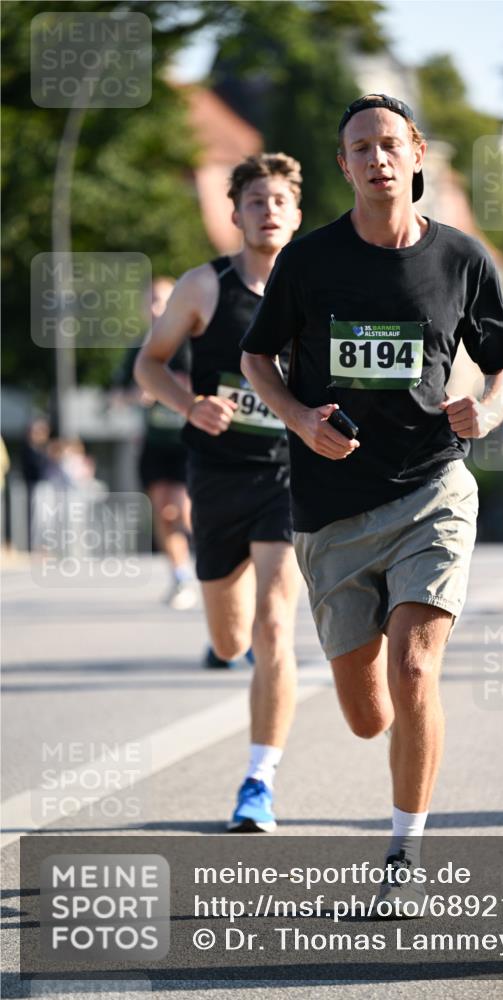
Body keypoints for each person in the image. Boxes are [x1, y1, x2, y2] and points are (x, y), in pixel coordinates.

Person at [240, 95, 503, 905]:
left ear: (416, 152)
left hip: (433, 487)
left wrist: (489, 410)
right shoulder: (310, 260)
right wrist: (297, 418)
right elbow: (257, 359)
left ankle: (404, 851)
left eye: (388, 144)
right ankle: (405, 747)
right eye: (358, 147)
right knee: (368, 713)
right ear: (342, 164)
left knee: (414, 669)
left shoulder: (461, 260)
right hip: (330, 510)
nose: (376, 158)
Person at [135, 153, 303, 831]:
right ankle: (245, 657)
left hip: (289, 475)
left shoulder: (317, 291)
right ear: (234, 214)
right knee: (230, 638)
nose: (268, 210)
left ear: (296, 214)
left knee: (273, 625)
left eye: (280, 200)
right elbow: (151, 364)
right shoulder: (205, 287)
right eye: (255, 200)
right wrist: (190, 404)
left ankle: (258, 781)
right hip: (218, 476)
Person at [114, 278, 197, 610]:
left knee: (183, 510)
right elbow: (117, 394)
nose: (155, 307)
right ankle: (180, 575)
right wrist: (137, 394)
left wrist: (178, 390)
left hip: (190, 442)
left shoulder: (193, 344)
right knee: (164, 511)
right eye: (150, 301)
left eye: (162, 300)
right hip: (154, 443)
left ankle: (213, 556)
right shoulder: (139, 349)